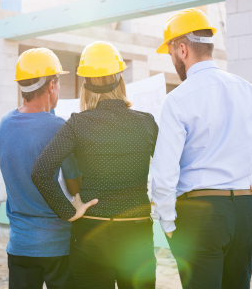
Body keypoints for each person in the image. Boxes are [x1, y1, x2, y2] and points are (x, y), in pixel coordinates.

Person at [150, 8, 252, 289]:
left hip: (199, 215)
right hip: (245, 213)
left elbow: (165, 170)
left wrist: (168, 223)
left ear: (182, 49)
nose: (172, 59)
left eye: (171, 52)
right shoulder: (251, 92)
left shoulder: (177, 99)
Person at [31, 41, 158, 289]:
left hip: (91, 233)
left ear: (85, 85)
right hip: (136, 232)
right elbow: (169, 170)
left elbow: (40, 171)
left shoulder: (76, 124)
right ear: (121, 80)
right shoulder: (146, 122)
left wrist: (68, 211)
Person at [0, 48, 82, 289]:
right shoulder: (57, 127)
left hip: (20, 246)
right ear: (52, 85)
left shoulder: (4, 125)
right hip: (57, 246)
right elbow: (74, 182)